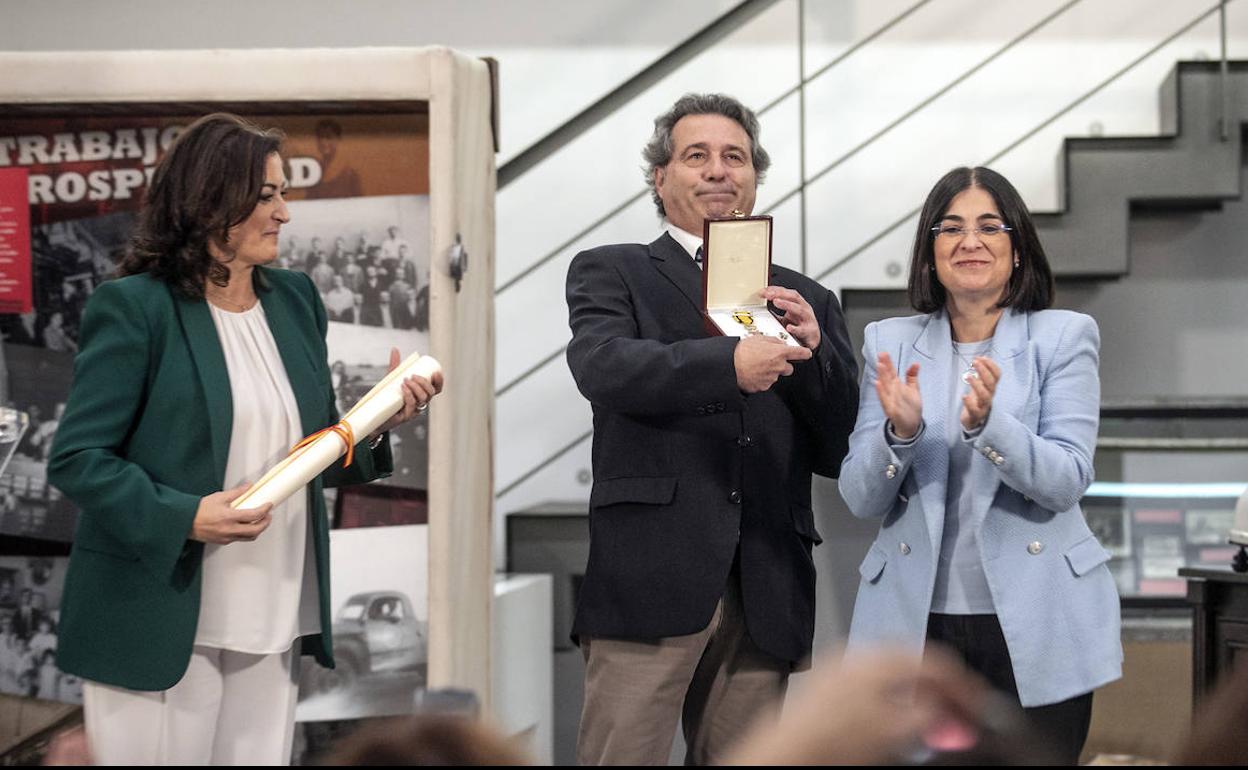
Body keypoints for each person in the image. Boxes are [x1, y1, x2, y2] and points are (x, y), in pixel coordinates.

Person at [47, 113, 442, 765]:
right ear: (207, 199)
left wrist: (379, 420)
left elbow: (312, 448)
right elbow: (77, 458)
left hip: (275, 607)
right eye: (267, 195)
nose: (285, 212)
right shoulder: (135, 306)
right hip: (163, 612)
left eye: (285, 193)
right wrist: (185, 516)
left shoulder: (294, 300)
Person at [565, 93, 859, 765]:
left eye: (736, 156)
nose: (719, 171)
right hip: (649, 575)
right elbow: (603, 365)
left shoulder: (806, 297)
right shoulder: (614, 270)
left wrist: (816, 359)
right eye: (696, 156)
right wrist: (729, 363)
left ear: (756, 174)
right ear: (660, 177)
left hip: (768, 579)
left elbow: (843, 448)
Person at [837, 166, 1122, 765]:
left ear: (1017, 248)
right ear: (930, 250)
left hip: (1040, 619)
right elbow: (861, 498)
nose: (971, 241)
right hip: (916, 626)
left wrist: (990, 427)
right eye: (952, 228)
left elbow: (1066, 479)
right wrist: (901, 433)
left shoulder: (1065, 336)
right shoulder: (888, 341)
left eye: (990, 226)